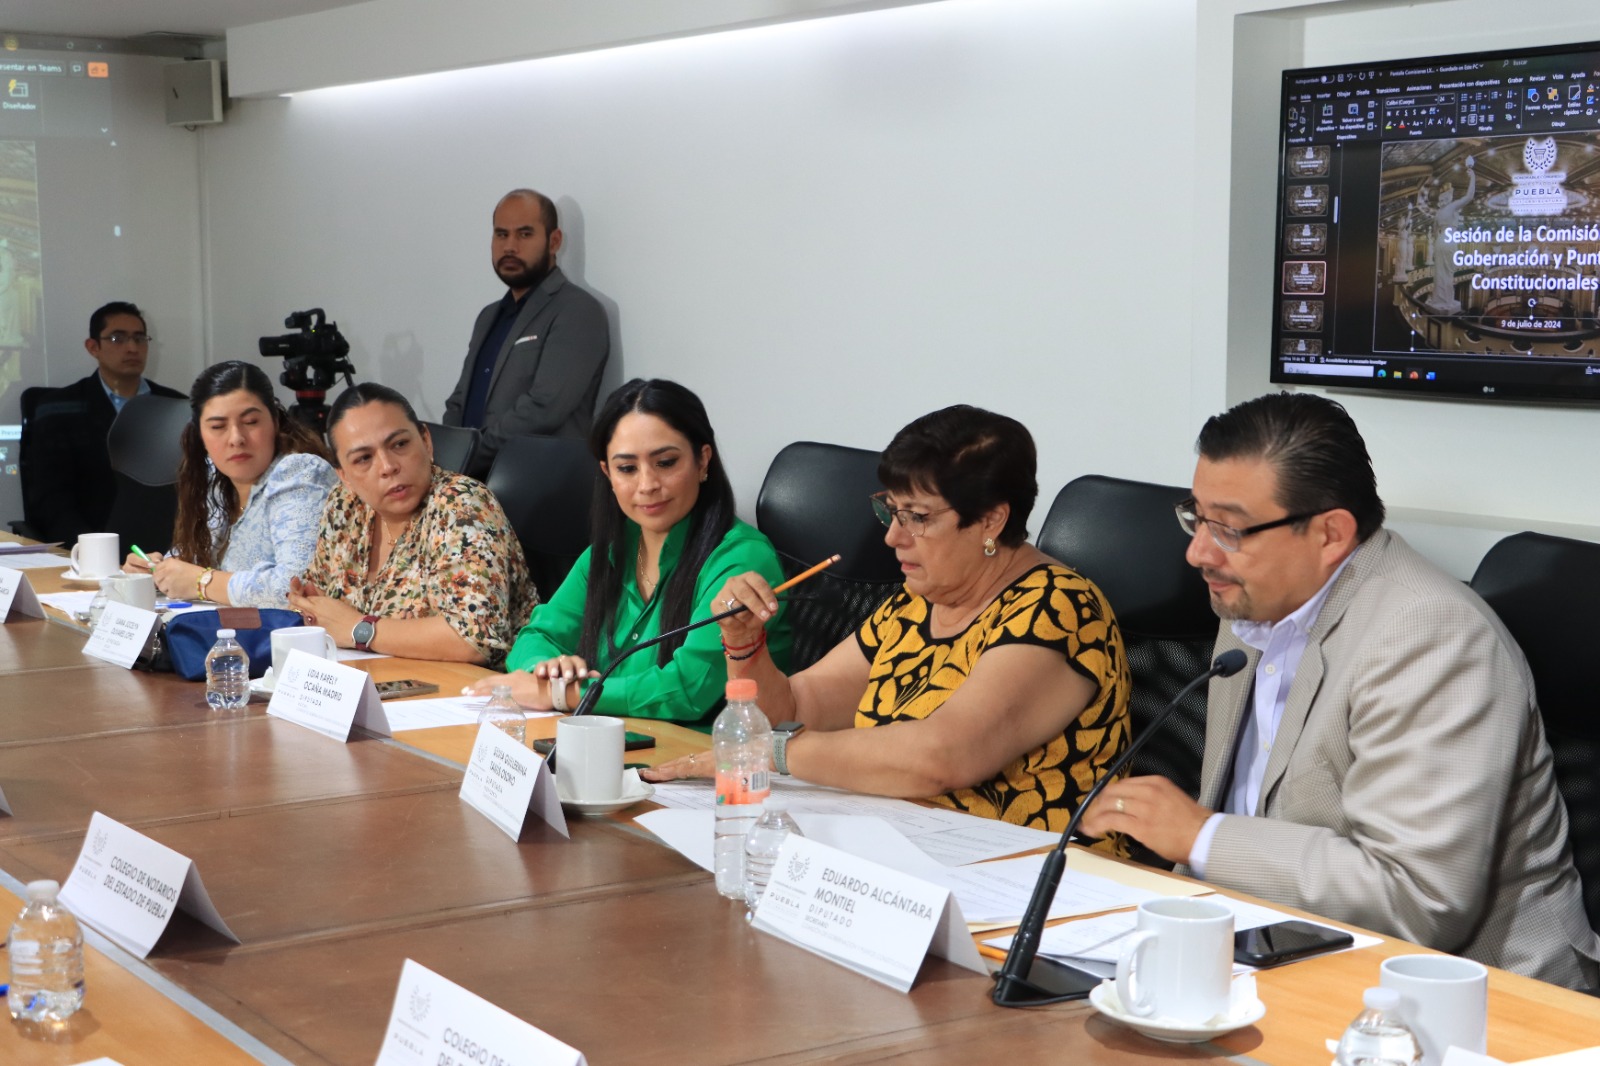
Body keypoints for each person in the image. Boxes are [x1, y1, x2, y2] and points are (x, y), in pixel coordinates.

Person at [1079, 392, 1600, 988]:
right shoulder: (1250, 600)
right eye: (1196, 518)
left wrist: (1201, 837)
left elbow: (1417, 900)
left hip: (1470, 992)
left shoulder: (1430, 635)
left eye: (1229, 528)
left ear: (1330, 534)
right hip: (1279, 949)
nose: (1197, 551)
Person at [645, 405, 1131, 834]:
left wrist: (773, 755)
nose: (893, 537)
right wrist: (744, 642)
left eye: (917, 517)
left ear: (991, 520)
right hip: (905, 845)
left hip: (1031, 874)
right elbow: (791, 709)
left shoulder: (1058, 607)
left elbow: (943, 756)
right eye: (892, 511)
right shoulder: (918, 602)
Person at [466, 378, 791, 725]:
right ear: (607, 473)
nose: (647, 484)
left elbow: (687, 690)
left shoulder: (743, 559)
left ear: (702, 461)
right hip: (611, 740)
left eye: (665, 462)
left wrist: (562, 694)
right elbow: (537, 635)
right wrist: (547, 670)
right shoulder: (609, 552)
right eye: (627, 468)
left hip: (708, 752)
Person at [288, 382, 535, 665]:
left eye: (399, 444)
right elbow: (320, 598)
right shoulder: (345, 505)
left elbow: (474, 640)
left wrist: (359, 629)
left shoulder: (461, 504)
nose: (387, 466)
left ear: (426, 442)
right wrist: (311, 606)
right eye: (364, 458)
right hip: (381, 679)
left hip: (475, 686)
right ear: (344, 475)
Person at [121, 361, 338, 608]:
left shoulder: (299, 472)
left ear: (275, 422)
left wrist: (202, 582)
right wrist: (153, 571)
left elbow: (297, 587)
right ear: (200, 435)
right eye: (218, 427)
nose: (236, 438)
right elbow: (189, 564)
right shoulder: (215, 477)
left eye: (251, 422)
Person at [442, 188, 610, 477]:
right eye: (501, 234)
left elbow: (545, 407)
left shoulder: (577, 310)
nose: (510, 246)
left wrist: (467, 454)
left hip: (538, 486)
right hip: (468, 484)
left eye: (524, 234)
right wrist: (446, 455)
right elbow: (460, 399)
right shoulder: (488, 316)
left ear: (554, 241)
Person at [23, 301, 184, 544]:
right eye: (118, 338)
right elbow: (50, 497)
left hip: (168, 543)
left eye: (139, 338)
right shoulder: (58, 409)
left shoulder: (176, 406)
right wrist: (91, 548)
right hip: (91, 542)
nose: (132, 348)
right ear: (93, 347)